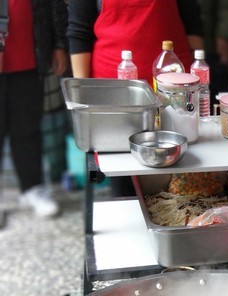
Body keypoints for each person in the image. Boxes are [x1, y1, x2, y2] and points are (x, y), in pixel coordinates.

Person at [67, 0, 203, 196]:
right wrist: (82, 94)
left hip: (173, 90)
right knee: (123, 171)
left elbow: (192, 22)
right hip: (114, 93)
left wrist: (198, 74)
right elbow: (79, 31)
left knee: (181, 169)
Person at [0, 0, 67, 218]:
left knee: (28, 128)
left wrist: (58, 44)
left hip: (28, 57)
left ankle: (32, 188)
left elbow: (54, 4)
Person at [67, 0, 204, 88]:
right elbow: (79, 33)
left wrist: (199, 80)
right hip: (111, 89)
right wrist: (81, 91)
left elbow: (192, 25)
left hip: (173, 89)